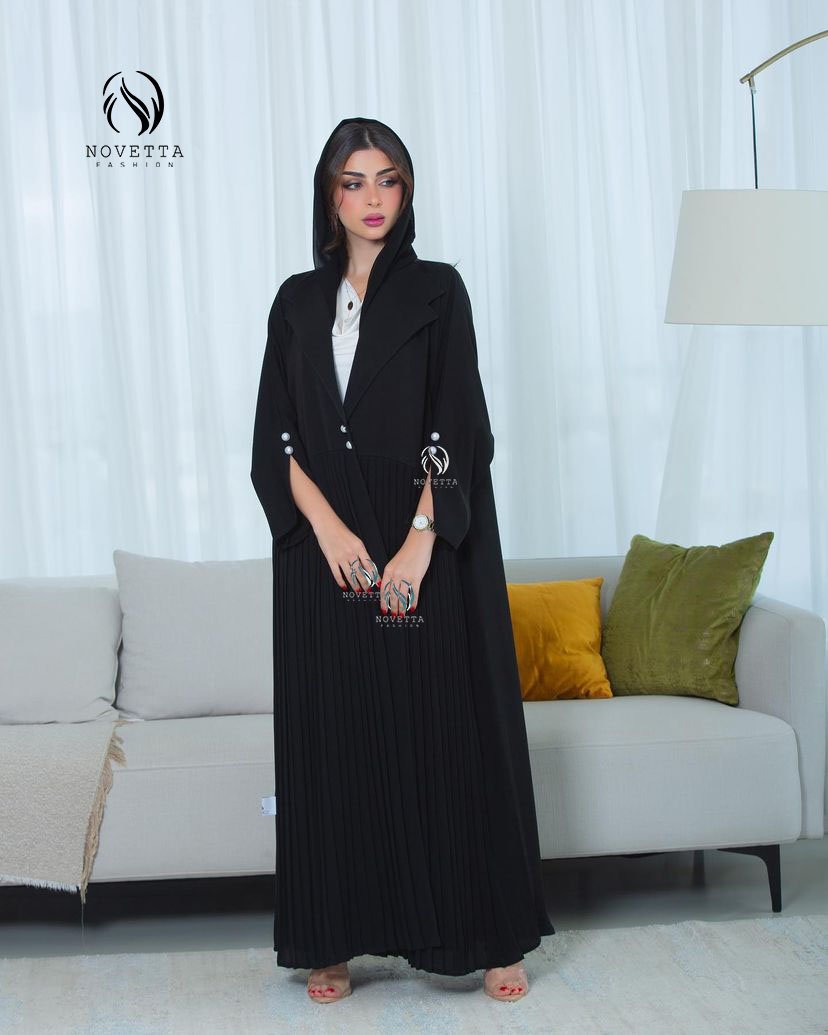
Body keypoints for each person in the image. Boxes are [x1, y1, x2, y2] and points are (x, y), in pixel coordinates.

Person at [251, 116, 555, 1004]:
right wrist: (329, 532)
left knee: (446, 736)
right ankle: (333, 937)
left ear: (407, 189)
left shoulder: (437, 291)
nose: (372, 198)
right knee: (334, 741)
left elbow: (460, 422)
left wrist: (420, 540)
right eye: (354, 182)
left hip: (422, 543)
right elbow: (275, 439)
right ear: (329, 196)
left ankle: (489, 935)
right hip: (324, 554)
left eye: (387, 179)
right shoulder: (295, 303)